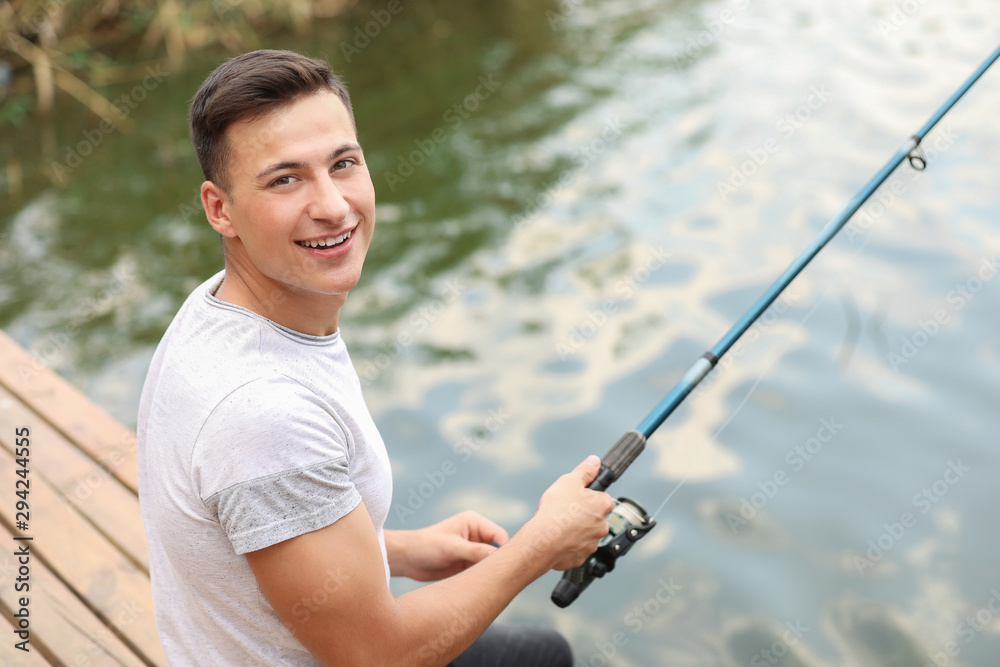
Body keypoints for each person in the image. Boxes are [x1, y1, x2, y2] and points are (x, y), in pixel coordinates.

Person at [136, 49, 613, 666]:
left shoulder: (213, 308)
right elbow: (379, 657)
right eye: (286, 178)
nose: (333, 205)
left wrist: (400, 552)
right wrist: (541, 544)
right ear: (219, 209)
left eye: (343, 164)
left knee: (537, 653)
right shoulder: (261, 417)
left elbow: (253, 525)